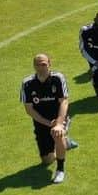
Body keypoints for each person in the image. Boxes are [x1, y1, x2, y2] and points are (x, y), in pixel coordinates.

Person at [20, 53, 76, 184]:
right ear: (34, 66)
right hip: (41, 121)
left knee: (57, 134)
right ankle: (65, 144)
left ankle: (60, 170)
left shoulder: (58, 78)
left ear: (49, 64)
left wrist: (58, 123)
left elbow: (64, 102)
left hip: (59, 116)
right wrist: (47, 123)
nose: (41, 67)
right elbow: (29, 109)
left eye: (43, 64)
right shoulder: (27, 83)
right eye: (38, 64)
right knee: (47, 160)